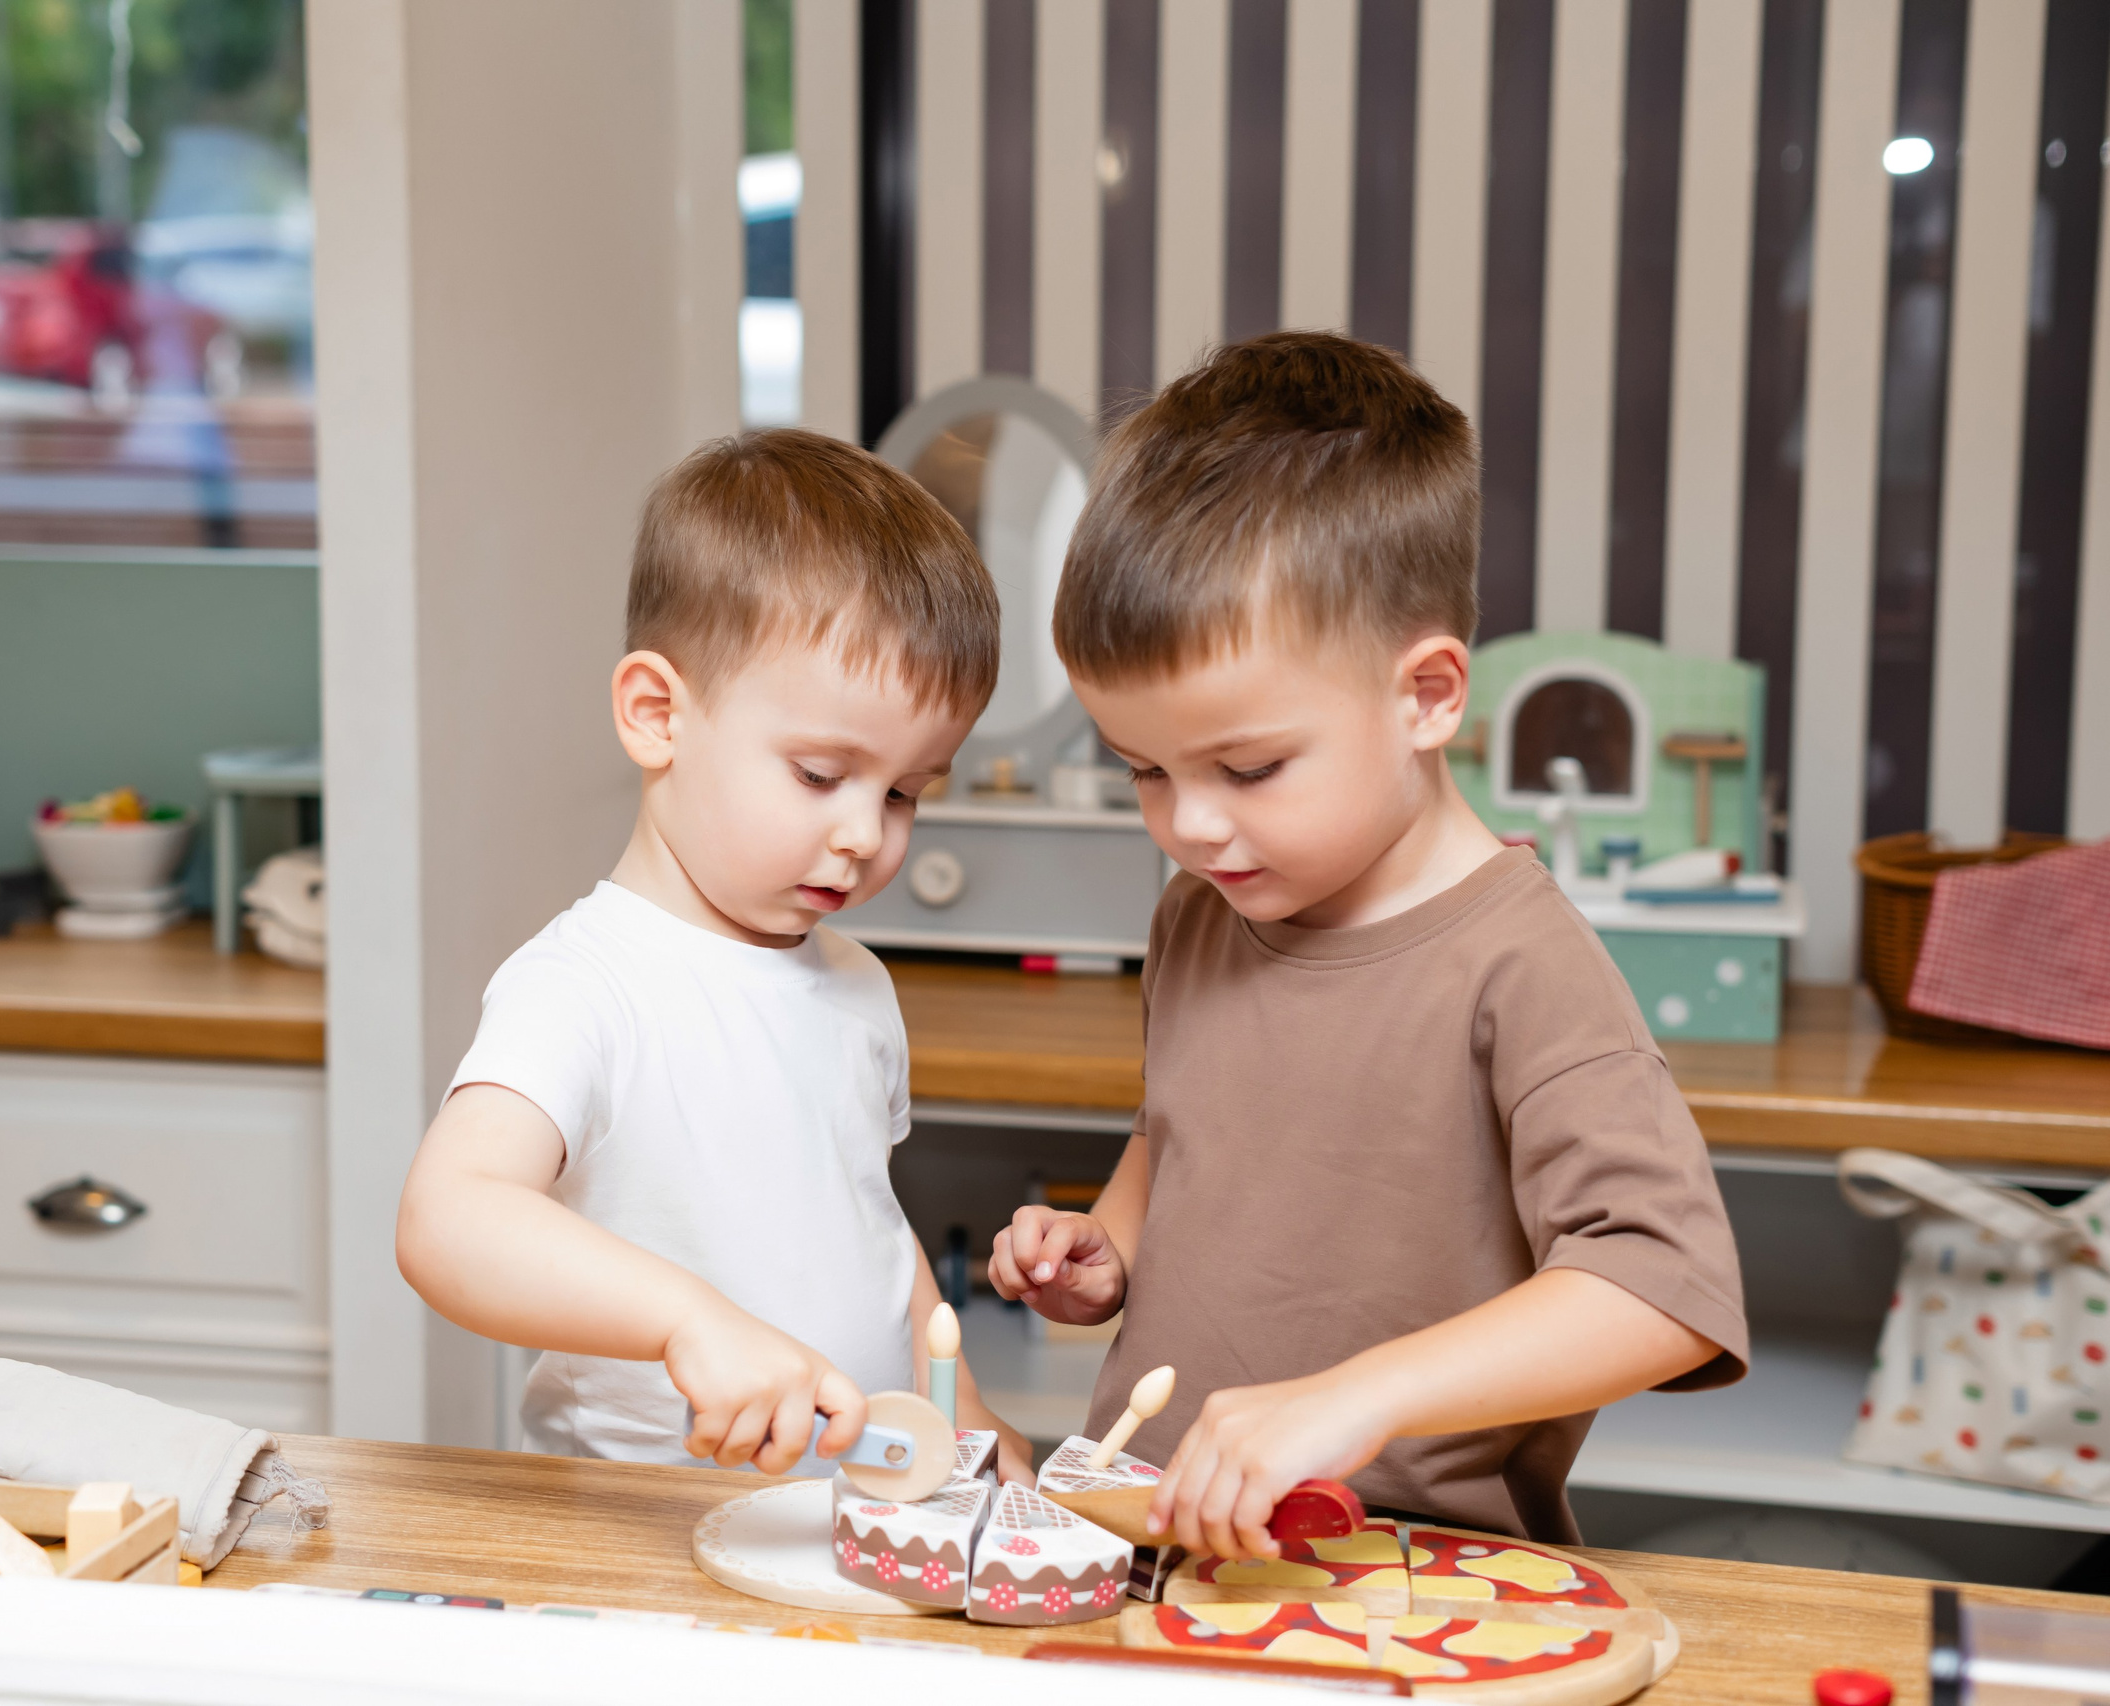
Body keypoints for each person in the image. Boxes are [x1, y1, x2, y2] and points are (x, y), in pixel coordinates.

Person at [990, 332, 1747, 1555]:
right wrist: (1107, 1246)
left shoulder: (1520, 965)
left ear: (1428, 695)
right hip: (1157, 1539)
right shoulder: (1211, 903)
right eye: (1142, 768)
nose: (1188, 823)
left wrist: (1360, 1394)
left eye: (1249, 765)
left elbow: (1665, 1289)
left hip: (1402, 1575)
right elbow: (1185, 1128)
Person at [400, 428, 1033, 1483]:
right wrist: (685, 1320)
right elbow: (449, 1217)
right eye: (820, 772)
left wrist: (959, 1402)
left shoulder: (856, 985)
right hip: (645, 1539)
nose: (865, 833)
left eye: (906, 790)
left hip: (852, 1520)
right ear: (656, 715)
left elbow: (871, 1231)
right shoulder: (581, 985)